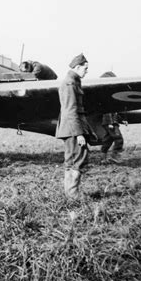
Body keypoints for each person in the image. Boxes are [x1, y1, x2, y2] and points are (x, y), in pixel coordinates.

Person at [55, 53, 94, 198]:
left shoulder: (73, 81)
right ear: (77, 67)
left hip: (72, 127)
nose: (87, 71)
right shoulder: (70, 83)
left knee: (73, 159)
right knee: (77, 159)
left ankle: (71, 193)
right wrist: (79, 133)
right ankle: (72, 195)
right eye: (85, 68)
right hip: (73, 129)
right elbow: (70, 110)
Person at [99, 72, 124, 164]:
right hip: (110, 123)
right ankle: (115, 157)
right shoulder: (108, 96)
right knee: (119, 139)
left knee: (107, 140)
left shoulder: (105, 95)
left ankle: (103, 159)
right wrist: (110, 123)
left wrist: (122, 119)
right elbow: (108, 111)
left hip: (108, 122)